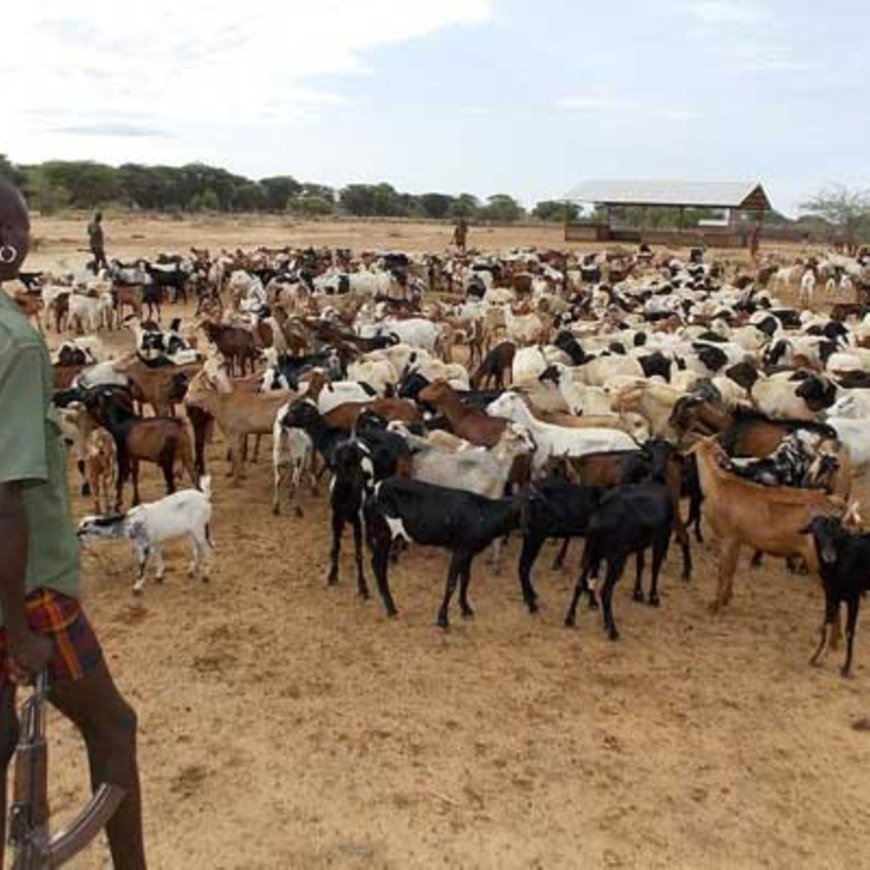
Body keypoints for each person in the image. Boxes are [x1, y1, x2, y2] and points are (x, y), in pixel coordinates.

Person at [0, 179, 146, 868]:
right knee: (113, 724)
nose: (27, 238)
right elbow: (8, 497)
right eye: (20, 226)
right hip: (25, 585)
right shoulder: (19, 343)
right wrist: (22, 629)